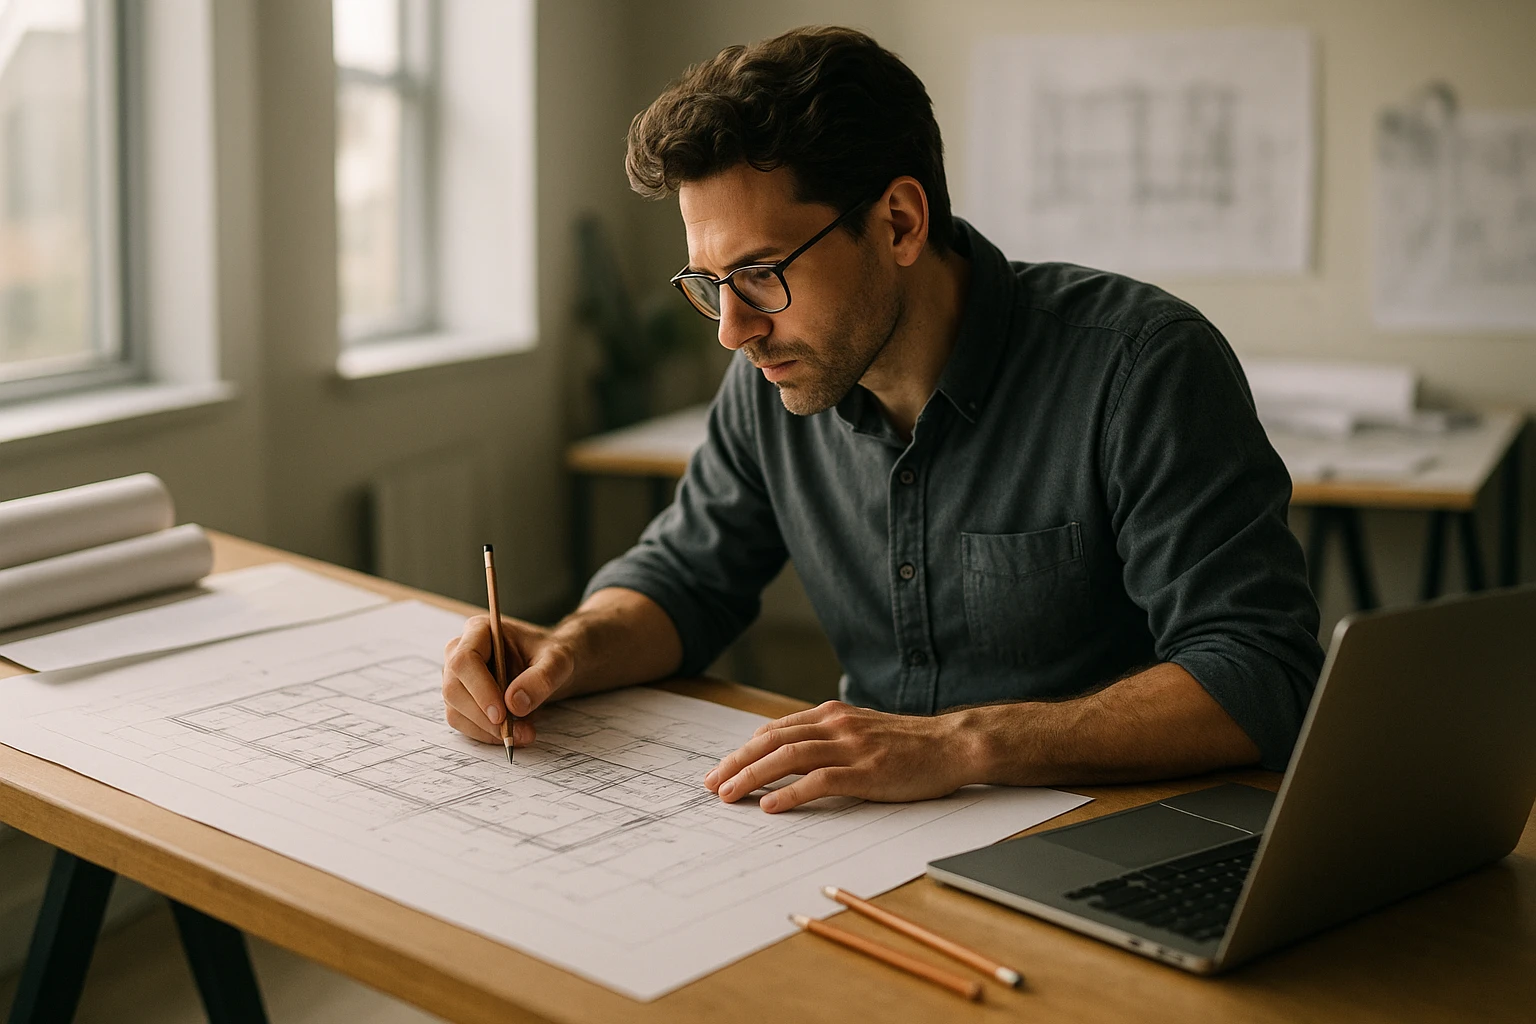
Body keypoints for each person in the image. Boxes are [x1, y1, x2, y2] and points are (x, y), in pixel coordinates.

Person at [441, 26, 1324, 813]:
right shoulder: (774, 377)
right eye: (707, 283)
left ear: (899, 222)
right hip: (869, 827)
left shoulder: (1140, 366)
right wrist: (568, 650)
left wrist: (958, 745)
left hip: (1120, 826)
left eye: (759, 273)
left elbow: (1258, 672)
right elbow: (686, 578)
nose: (732, 329)